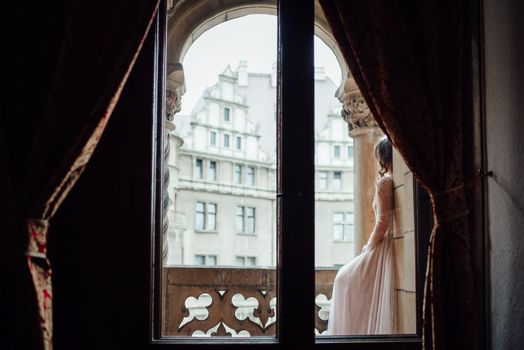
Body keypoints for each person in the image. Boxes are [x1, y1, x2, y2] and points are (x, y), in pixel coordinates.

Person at [327, 137, 396, 335]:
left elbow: (383, 223)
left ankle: (352, 333)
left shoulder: (384, 183)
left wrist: (368, 247)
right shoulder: (394, 182)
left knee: (343, 279)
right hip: (388, 246)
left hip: (382, 246)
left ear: (383, 158)